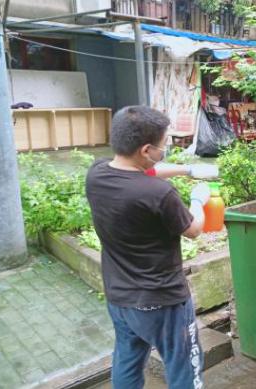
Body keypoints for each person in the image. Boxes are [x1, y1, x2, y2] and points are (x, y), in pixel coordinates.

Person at [86, 106, 216, 389]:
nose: (164, 149)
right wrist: (197, 201)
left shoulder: (96, 173)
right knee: (183, 365)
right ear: (146, 149)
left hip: (120, 297)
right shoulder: (159, 194)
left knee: (127, 360)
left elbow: (146, 172)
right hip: (163, 301)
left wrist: (187, 169)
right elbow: (193, 230)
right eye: (162, 145)